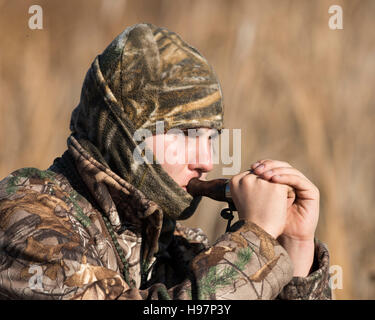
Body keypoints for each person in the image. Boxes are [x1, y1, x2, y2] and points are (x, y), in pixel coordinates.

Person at [0, 23, 331, 300]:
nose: (207, 161)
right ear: (125, 130)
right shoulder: (26, 222)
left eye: (212, 138)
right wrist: (255, 242)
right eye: (186, 134)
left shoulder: (178, 249)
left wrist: (294, 247)